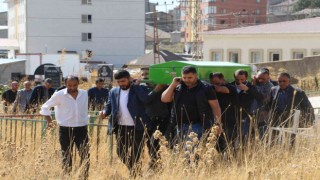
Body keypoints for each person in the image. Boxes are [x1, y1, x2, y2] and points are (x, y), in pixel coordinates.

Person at [101, 70, 150, 177]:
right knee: (120, 152)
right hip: (120, 127)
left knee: (136, 153)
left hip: (137, 126)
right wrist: (105, 112)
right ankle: (136, 172)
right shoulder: (113, 91)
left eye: (123, 81)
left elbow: (146, 99)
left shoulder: (140, 88)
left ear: (129, 79)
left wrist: (136, 86)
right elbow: (109, 105)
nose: (121, 84)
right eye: (118, 82)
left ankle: (135, 175)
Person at [40, 76, 90, 178]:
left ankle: (84, 176)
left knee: (85, 154)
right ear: (65, 84)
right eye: (69, 85)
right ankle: (67, 176)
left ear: (78, 83)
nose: (72, 87)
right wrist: (49, 121)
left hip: (81, 128)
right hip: (65, 129)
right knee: (66, 155)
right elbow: (45, 107)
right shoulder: (59, 95)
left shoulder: (84, 94)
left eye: (75, 85)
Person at [161, 66, 222, 142]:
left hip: (198, 125)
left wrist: (218, 124)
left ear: (196, 75)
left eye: (190, 77)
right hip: (179, 125)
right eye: (184, 77)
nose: (187, 80)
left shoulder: (206, 88)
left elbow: (215, 107)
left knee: (189, 151)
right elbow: (164, 99)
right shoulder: (179, 87)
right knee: (180, 151)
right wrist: (173, 84)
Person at [209, 72, 238, 152]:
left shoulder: (231, 87)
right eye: (213, 83)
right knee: (218, 143)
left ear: (222, 79)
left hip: (229, 120)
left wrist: (208, 85)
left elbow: (222, 89)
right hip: (218, 119)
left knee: (229, 142)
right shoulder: (212, 89)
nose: (215, 85)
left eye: (217, 83)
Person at [144, 83, 171, 169]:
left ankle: (155, 164)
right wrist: (156, 89)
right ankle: (155, 163)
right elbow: (146, 100)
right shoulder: (143, 87)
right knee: (149, 142)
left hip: (162, 118)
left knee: (154, 141)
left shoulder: (167, 86)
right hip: (148, 119)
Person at [231, 69, 260, 143]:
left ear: (246, 78)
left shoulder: (251, 86)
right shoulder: (231, 85)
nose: (240, 81)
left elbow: (260, 97)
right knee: (232, 135)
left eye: (242, 79)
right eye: (237, 79)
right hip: (232, 115)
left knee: (243, 136)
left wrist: (248, 89)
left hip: (245, 115)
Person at [252, 69, 274, 139]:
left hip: (263, 115)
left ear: (268, 78)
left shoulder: (270, 86)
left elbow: (264, 99)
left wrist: (255, 85)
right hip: (253, 113)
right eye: (259, 78)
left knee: (262, 135)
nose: (260, 80)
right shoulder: (254, 82)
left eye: (263, 79)